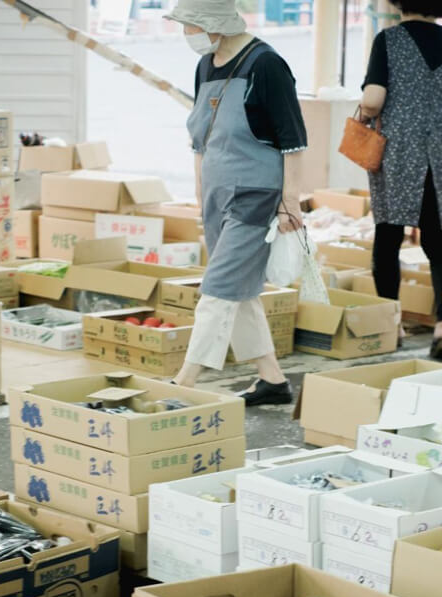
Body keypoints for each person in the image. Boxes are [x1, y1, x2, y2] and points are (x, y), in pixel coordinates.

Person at [163, 0, 307, 407]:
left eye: (190, 24)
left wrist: (289, 201)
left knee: (218, 289)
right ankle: (273, 381)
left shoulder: (266, 65)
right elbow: (201, 137)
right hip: (216, 193)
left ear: (214, 23)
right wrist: (198, 190)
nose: (186, 33)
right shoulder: (207, 64)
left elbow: (293, 140)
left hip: (255, 196)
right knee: (240, 291)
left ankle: (184, 383)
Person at [360, 0, 442, 361]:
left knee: (388, 237)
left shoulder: (389, 41)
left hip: (399, 154)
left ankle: (392, 324)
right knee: (439, 242)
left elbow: (373, 100)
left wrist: (367, 112)